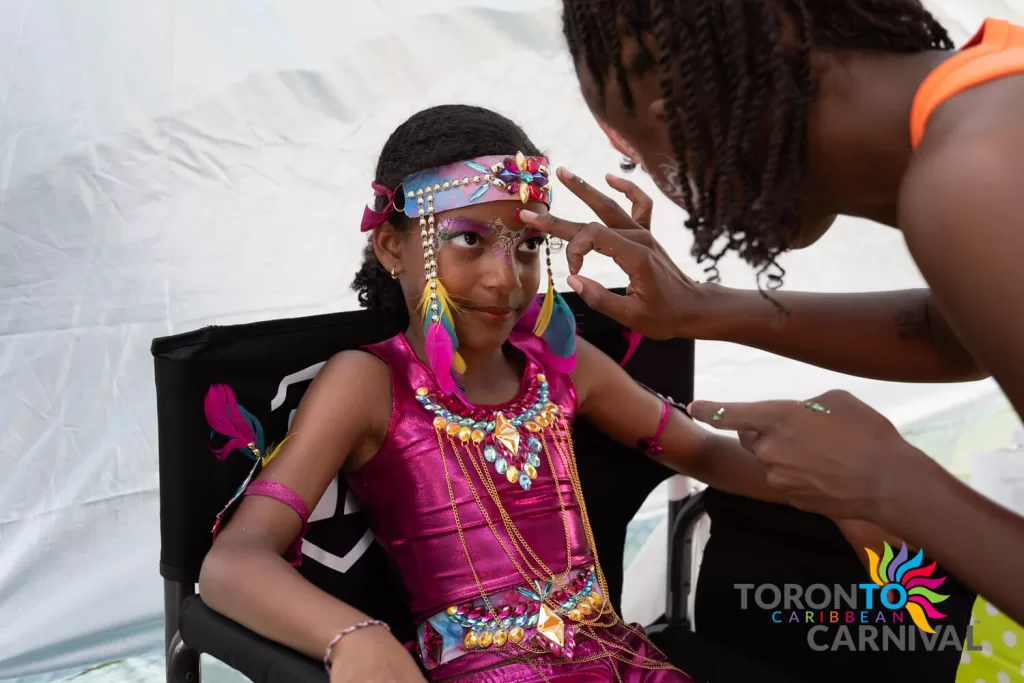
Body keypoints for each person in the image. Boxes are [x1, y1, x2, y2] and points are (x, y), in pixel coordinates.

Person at [197, 104, 810, 682]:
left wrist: (843, 488)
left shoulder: (564, 368)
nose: (505, 277)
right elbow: (234, 561)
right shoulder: (370, 383)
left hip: (625, 664)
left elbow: (703, 454)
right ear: (391, 246)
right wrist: (353, 635)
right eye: (468, 239)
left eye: (527, 245)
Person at [514, 1, 1024, 629]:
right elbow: (959, 337)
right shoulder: (994, 101)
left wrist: (888, 483)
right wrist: (701, 310)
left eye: (638, 157)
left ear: (685, 119)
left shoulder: (974, 179)